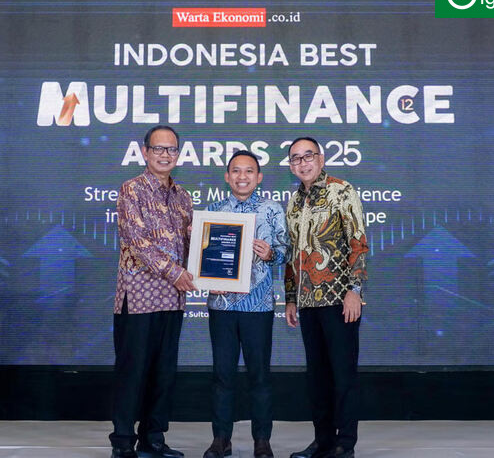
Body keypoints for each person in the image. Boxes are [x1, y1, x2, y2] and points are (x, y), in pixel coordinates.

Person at [110, 125, 197, 458]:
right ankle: (122, 442)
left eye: (171, 149)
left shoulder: (183, 196)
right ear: (145, 152)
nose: (165, 155)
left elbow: (191, 245)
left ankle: (153, 438)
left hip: (173, 299)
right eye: (158, 148)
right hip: (139, 298)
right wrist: (175, 273)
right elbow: (138, 241)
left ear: (178, 154)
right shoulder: (131, 190)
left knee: (163, 373)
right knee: (132, 372)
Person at [284, 137, 369, 458]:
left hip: (339, 300)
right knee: (317, 377)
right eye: (296, 158)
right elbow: (292, 254)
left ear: (321, 159)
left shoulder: (341, 190)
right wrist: (290, 297)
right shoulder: (293, 202)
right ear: (291, 166)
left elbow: (358, 243)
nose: (302, 163)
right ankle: (322, 441)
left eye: (308, 156)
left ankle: (345, 444)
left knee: (342, 375)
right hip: (307, 302)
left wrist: (354, 290)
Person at [202, 150, 290, 458]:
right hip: (222, 305)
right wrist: (204, 271)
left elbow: (285, 251)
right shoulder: (213, 210)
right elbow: (204, 256)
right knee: (222, 375)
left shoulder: (272, 210)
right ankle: (220, 439)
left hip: (259, 306)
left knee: (260, 376)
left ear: (259, 177)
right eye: (236, 171)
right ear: (227, 177)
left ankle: (262, 440)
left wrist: (271, 254)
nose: (243, 176)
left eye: (249, 171)